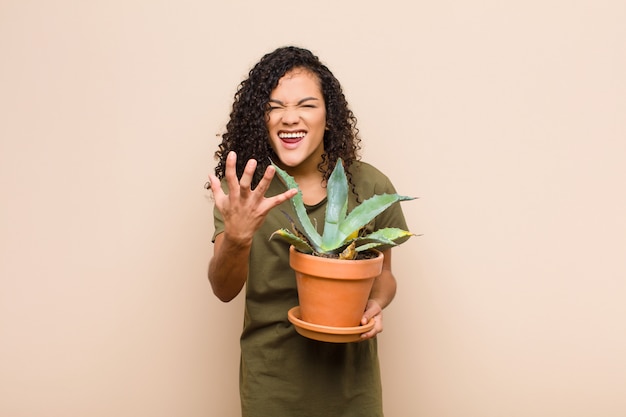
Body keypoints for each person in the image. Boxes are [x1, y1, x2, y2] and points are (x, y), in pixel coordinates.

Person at [206, 46, 408, 417]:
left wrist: (376, 303)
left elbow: (385, 275)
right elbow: (224, 289)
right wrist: (236, 237)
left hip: (353, 388)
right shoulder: (244, 191)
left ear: (329, 117)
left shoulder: (369, 185)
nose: (289, 118)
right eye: (274, 106)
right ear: (259, 117)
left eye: (306, 105)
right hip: (272, 386)